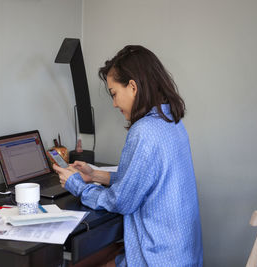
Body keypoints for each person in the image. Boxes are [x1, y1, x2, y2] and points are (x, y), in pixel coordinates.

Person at [53, 45, 203, 267]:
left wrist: (77, 184)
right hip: (183, 255)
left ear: (133, 87)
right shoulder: (171, 121)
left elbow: (121, 201)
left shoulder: (144, 131)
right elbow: (145, 179)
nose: (114, 104)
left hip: (156, 259)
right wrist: (95, 175)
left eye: (114, 94)